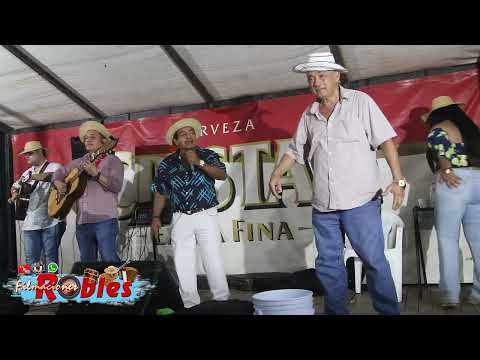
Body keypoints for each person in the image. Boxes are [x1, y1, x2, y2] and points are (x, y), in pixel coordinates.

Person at [269, 52, 407, 315]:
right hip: (324, 207)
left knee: (374, 261)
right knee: (329, 266)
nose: (316, 82)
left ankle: (389, 312)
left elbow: (386, 140)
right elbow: (294, 151)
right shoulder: (309, 115)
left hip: (361, 202)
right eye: (311, 78)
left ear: (337, 76)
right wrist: (277, 173)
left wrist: (398, 180)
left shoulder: (360, 102)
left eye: (321, 76)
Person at [150, 118, 230, 309]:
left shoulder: (207, 155)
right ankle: (190, 305)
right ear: (176, 141)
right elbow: (160, 191)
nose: (189, 137)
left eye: (191, 133)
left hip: (205, 214)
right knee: (183, 263)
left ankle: (223, 301)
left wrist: (199, 162)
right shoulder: (167, 164)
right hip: (180, 217)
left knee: (213, 259)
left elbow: (222, 174)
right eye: (183, 134)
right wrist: (155, 217)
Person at [423, 95, 480, 309]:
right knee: (478, 242)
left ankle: (450, 295)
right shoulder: (471, 129)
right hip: (477, 179)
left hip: (454, 182)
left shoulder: (440, 126)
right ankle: (478, 295)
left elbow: (439, 145)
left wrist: (445, 168)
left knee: (448, 240)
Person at [52, 121, 123, 262]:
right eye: (85, 138)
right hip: (82, 221)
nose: (87, 140)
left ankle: (117, 285)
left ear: (103, 140)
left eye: (92, 137)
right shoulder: (79, 162)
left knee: (110, 262)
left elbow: (116, 186)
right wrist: (58, 182)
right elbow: (59, 172)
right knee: (87, 264)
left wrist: (96, 174)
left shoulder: (112, 160)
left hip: (105, 220)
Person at [9, 141, 65, 268]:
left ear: (40, 152)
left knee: (50, 257)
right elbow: (15, 186)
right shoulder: (27, 173)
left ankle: (51, 285)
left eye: (30, 153)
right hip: (30, 222)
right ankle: (34, 285)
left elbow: (56, 176)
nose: (26, 156)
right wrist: (14, 194)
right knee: (31, 259)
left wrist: (34, 177)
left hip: (51, 221)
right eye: (25, 154)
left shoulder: (54, 166)